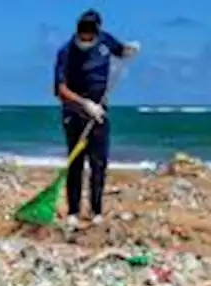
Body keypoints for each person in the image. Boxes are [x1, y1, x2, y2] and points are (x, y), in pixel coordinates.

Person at [53, 9, 139, 229]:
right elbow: (60, 89)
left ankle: (96, 211)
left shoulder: (104, 41)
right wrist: (83, 105)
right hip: (75, 112)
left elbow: (120, 51)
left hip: (100, 110)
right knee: (76, 162)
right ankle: (73, 211)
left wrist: (129, 50)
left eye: (90, 32)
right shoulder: (66, 51)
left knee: (98, 162)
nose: (86, 37)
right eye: (83, 31)